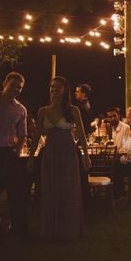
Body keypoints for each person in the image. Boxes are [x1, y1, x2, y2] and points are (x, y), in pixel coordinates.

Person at [29, 77, 90, 240]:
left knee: (67, 188)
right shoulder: (43, 111)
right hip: (50, 152)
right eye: (51, 87)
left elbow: (82, 135)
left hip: (67, 151)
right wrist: (31, 157)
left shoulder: (73, 110)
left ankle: (68, 228)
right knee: (50, 187)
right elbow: (36, 136)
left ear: (65, 90)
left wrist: (85, 155)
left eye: (57, 87)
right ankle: (52, 228)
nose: (54, 89)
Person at [0, 72, 29, 243]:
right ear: (5, 83)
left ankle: (20, 229)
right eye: (13, 85)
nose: (16, 90)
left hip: (7, 153)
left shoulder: (20, 109)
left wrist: (16, 153)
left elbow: (23, 134)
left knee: (16, 191)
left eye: (19, 88)